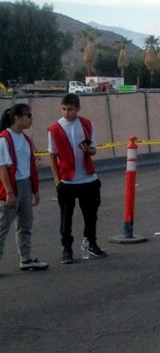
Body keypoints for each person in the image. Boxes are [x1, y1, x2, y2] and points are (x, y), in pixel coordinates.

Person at [48, 94, 107, 262]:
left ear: (78, 109)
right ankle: (67, 248)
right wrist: (56, 180)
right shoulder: (55, 129)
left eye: (70, 109)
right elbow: (52, 156)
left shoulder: (87, 124)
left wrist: (89, 151)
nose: (67, 113)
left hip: (88, 178)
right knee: (66, 216)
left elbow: (94, 149)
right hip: (66, 180)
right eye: (64, 109)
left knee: (91, 215)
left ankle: (91, 243)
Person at [0, 103, 46, 272]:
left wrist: (35, 190)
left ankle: (26, 259)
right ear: (18, 118)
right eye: (28, 116)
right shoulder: (4, 138)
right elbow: (2, 168)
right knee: (2, 227)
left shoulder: (25, 139)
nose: (31, 119)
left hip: (25, 185)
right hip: (11, 188)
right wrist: (9, 192)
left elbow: (30, 166)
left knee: (25, 225)